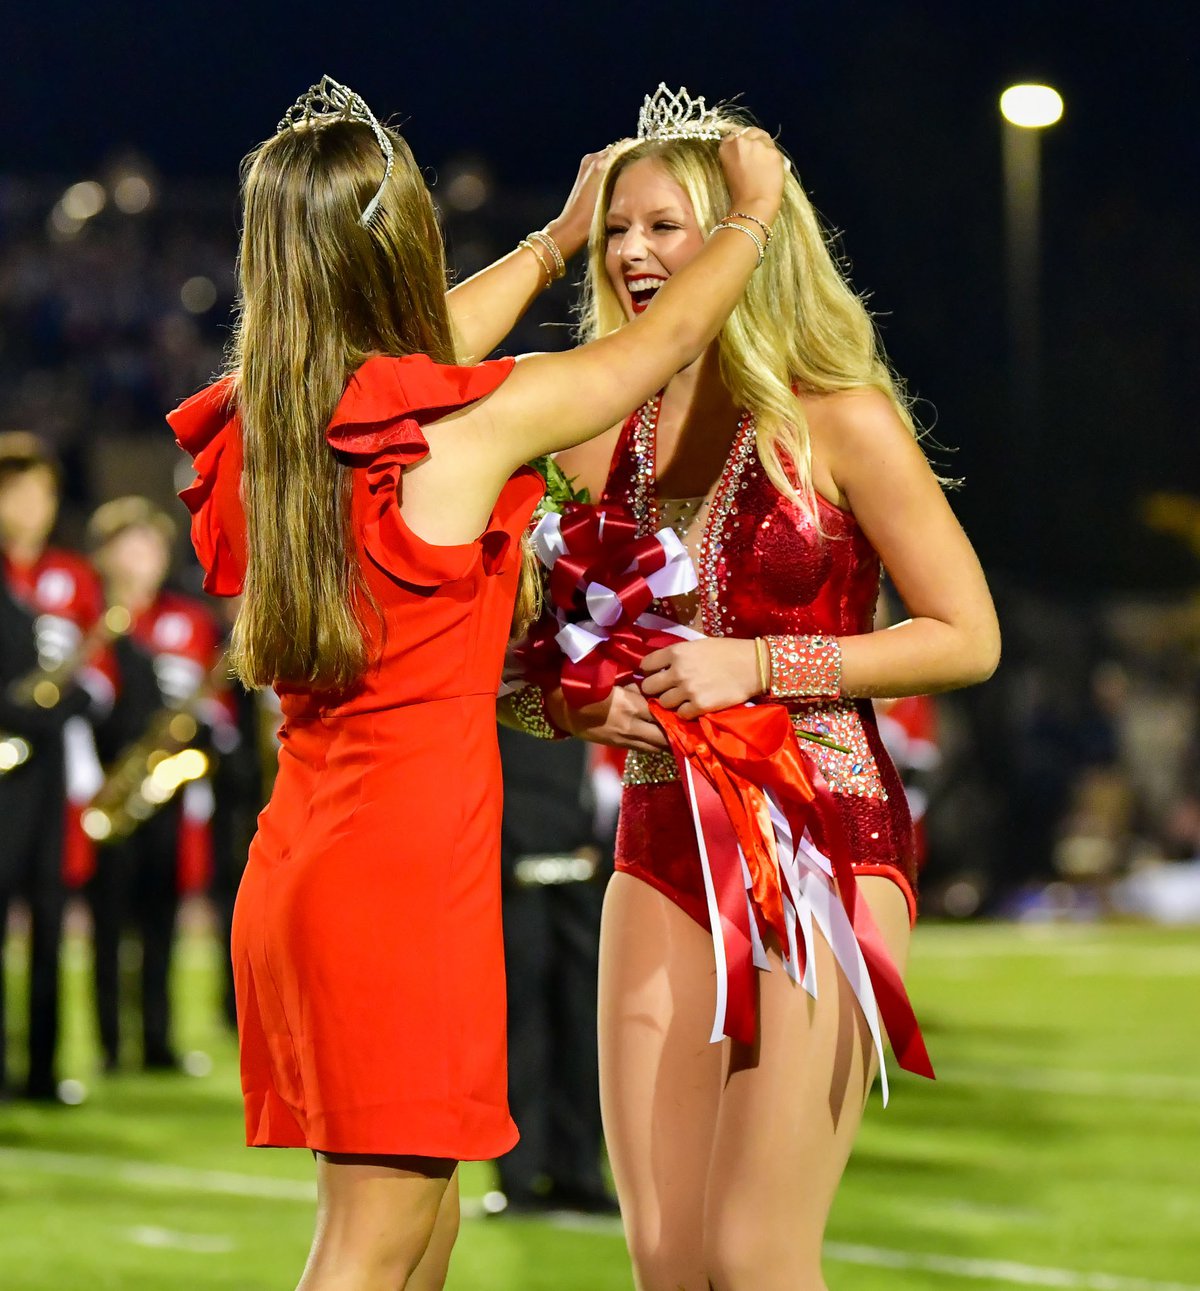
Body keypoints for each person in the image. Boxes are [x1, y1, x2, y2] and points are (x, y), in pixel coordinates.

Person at [167, 76, 783, 1291]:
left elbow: (411, 356)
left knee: (426, 1236)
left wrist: (558, 244)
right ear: (401, 251)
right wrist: (751, 216)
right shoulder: (460, 429)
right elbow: (653, 347)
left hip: (305, 864)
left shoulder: (274, 432)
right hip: (397, 883)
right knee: (373, 1244)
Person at [506, 88, 1002, 1290]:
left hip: (824, 832)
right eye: (618, 229)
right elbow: (515, 663)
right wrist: (567, 704)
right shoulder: (586, 431)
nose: (633, 252)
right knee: (668, 1260)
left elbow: (967, 635)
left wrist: (766, 664)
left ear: (744, 237)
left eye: (666, 226)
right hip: (655, 832)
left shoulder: (840, 417)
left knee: (755, 1252)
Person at [85, 495, 226, 1072]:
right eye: (132, 544)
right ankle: (110, 1046)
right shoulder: (93, 619)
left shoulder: (189, 619)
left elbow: (212, 705)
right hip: (105, 782)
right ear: (106, 554)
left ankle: (159, 1040)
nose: (145, 557)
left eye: (153, 546)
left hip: (168, 784)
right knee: (108, 920)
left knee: (161, 918)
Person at [0, 432, 110, 1101]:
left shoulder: (71, 575)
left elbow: (98, 672)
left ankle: (42, 1067)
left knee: (50, 908)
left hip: (52, 768)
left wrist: (75, 697)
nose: (32, 505)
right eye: (17, 491)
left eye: (43, 491)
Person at [492, 727, 614, 1216]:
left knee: (583, 1024)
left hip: (586, 862)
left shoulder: (589, 666)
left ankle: (579, 1172)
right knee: (522, 1023)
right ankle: (520, 1172)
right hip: (512, 864)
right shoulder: (502, 681)